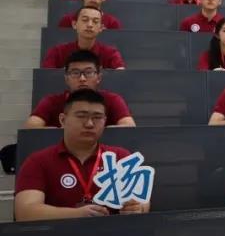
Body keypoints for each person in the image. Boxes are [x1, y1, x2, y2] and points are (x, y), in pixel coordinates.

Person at [14, 89, 149, 221]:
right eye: (81, 116)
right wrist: (77, 214)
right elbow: (25, 212)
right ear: (62, 120)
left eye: (97, 117)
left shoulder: (121, 157)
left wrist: (138, 208)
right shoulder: (38, 161)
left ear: (105, 121)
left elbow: (143, 201)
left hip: (113, 232)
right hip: (59, 234)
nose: (89, 124)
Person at [26, 50, 135, 127]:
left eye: (88, 72)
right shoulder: (51, 101)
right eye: (75, 73)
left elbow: (128, 126)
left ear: (99, 77)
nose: (82, 78)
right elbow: (31, 127)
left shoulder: (113, 99)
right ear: (66, 78)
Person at [42, 7, 125, 69]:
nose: (90, 25)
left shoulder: (111, 54)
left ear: (101, 28)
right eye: (85, 20)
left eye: (95, 21)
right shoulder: (57, 52)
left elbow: (120, 76)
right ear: (74, 24)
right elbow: (47, 78)